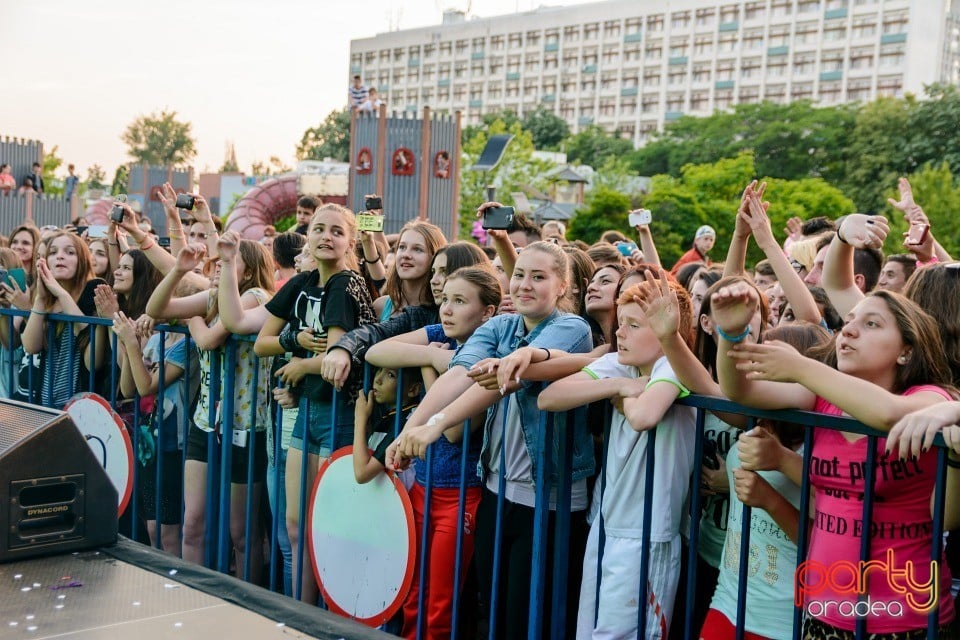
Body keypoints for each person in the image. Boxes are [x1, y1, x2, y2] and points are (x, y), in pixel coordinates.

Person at [713, 282, 958, 637]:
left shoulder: (931, 397)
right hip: (824, 610)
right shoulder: (822, 399)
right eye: (849, 320)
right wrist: (731, 335)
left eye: (871, 324)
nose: (850, 330)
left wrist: (802, 368)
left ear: (906, 350)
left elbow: (889, 414)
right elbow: (740, 391)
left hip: (906, 617)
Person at [387, 241, 594, 639]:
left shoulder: (572, 328)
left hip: (548, 499)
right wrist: (410, 430)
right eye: (520, 275)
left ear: (563, 286)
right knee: (495, 612)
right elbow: (459, 374)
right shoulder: (501, 325)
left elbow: (505, 380)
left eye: (539, 277)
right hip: (496, 492)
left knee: (525, 620)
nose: (525, 284)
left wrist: (435, 426)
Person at [540, 279, 697, 640]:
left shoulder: (672, 366)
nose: (619, 333)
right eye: (620, 322)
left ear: (666, 331)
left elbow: (643, 417)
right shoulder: (622, 366)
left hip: (649, 533)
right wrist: (618, 386)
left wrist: (623, 398)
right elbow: (550, 398)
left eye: (634, 325)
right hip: (608, 524)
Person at [253, 204, 376, 603]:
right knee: (294, 525)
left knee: (325, 527)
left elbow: (334, 361)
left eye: (337, 231)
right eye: (319, 229)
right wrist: (294, 341)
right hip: (306, 411)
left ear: (350, 242)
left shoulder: (345, 283)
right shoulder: (302, 282)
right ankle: (298, 613)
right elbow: (261, 343)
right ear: (307, 236)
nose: (326, 236)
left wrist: (300, 364)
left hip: (340, 413)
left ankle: (326, 615)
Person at [145, 236, 276, 583]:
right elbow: (156, 309)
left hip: (245, 428)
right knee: (192, 523)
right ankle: (194, 591)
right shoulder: (215, 296)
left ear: (249, 269)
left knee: (241, 533)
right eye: (218, 260)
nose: (218, 265)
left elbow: (208, 338)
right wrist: (177, 271)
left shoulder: (257, 296)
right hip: (205, 423)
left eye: (229, 259)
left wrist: (192, 320)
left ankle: (246, 600)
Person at [21, 231, 108, 408]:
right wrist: (40, 299)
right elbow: (31, 346)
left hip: (82, 404)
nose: (59, 256)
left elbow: (87, 338)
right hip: (47, 398)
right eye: (53, 252)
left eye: (69, 252)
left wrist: (60, 293)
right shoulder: (48, 296)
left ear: (82, 260)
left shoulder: (94, 287)